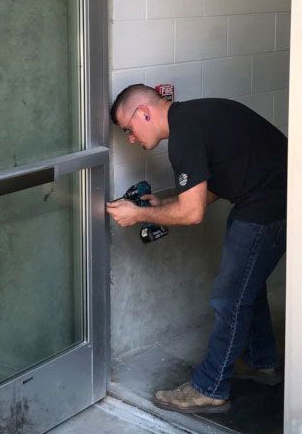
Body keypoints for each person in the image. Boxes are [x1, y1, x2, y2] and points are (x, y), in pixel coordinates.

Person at [106, 85, 288, 415]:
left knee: (229, 296)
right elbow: (219, 182)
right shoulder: (195, 117)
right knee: (248, 282)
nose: (131, 140)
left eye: (129, 130)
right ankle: (263, 361)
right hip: (277, 198)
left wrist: (139, 214)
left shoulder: (183, 136)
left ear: (144, 112)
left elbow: (193, 213)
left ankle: (210, 387)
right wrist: (167, 202)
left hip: (269, 207)